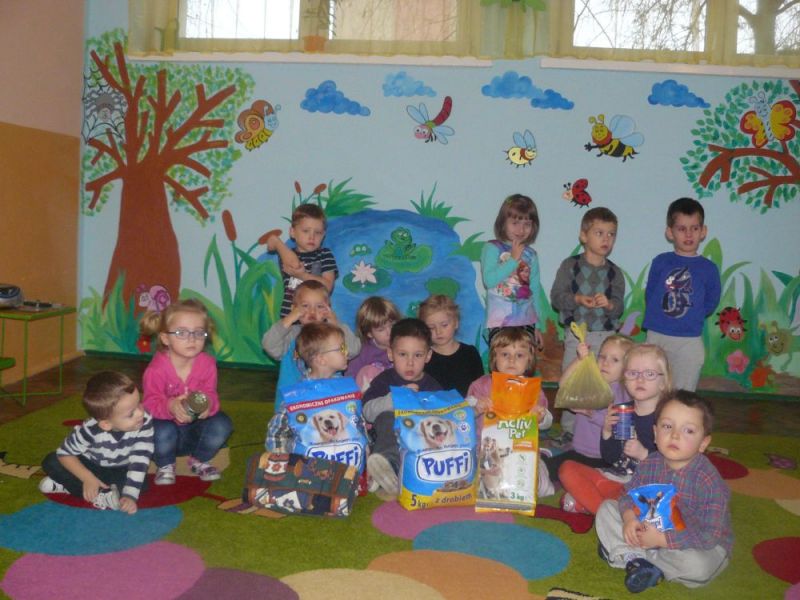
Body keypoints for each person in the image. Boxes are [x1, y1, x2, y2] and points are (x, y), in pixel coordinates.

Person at [596, 390, 732, 593]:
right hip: (650, 529)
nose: (675, 435)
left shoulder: (708, 481)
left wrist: (662, 540)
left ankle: (630, 555)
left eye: (688, 431)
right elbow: (627, 496)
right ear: (655, 433)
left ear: (703, 443)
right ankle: (637, 559)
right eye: (667, 426)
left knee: (699, 567)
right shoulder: (650, 463)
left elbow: (709, 536)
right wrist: (629, 518)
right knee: (607, 508)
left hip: (692, 543)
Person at [559, 344, 672, 514]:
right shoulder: (623, 411)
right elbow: (611, 458)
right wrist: (606, 433)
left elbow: (675, 465)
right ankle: (609, 511)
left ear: (663, 382)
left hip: (647, 486)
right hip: (616, 480)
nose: (640, 380)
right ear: (625, 379)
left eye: (649, 374)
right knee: (567, 469)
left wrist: (644, 454)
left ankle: (602, 507)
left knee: (661, 498)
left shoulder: (669, 416)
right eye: (633, 373)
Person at [550, 207, 625, 439]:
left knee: (603, 382)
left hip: (605, 337)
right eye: (599, 233)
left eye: (611, 234)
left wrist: (609, 304)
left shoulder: (614, 272)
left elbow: (620, 306)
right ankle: (569, 430)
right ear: (584, 236)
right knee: (573, 382)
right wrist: (577, 299)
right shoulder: (570, 266)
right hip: (577, 336)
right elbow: (556, 297)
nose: (606, 239)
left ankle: (600, 428)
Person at [141, 299, 233, 485]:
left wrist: (208, 405)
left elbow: (210, 393)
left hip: (194, 431)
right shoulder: (156, 370)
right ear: (165, 338)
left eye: (198, 332)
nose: (192, 339)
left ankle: (199, 460)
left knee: (222, 424)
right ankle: (165, 465)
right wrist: (170, 406)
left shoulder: (207, 364)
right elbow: (149, 404)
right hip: (165, 435)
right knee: (159, 429)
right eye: (181, 333)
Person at [39, 371, 154, 514]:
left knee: (141, 484)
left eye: (139, 404)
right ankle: (99, 494)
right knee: (51, 461)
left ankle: (69, 485)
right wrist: (88, 478)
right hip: (91, 465)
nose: (140, 413)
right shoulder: (89, 430)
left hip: (122, 468)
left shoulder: (144, 421)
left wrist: (130, 496)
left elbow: (140, 459)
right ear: (106, 424)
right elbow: (64, 453)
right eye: (131, 413)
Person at [464, 327, 554, 496]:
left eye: (519, 355)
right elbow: (463, 416)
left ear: (529, 360)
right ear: (494, 357)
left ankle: (540, 472)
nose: (512, 360)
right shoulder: (481, 385)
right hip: (485, 452)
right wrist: (476, 408)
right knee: (475, 482)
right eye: (505, 354)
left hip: (521, 451)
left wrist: (541, 417)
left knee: (536, 486)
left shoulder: (532, 389)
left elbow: (547, 422)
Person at [643, 197, 721, 391]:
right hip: (657, 334)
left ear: (703, 231)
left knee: (683, 391)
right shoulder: (661, 262)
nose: (688, 234)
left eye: (694, 228)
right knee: (652, 386)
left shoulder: (708, 268)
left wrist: (693, 315)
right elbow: (651, 293)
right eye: (681, 229)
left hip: (689, 339)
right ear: (670, 233)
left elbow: (711, 300)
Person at [362, 318, 442, 498]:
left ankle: (391, 475)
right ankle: (387, 467)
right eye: (403, 354)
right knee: (387, 417)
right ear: (390, 354)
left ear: (428, 356)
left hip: (419, 446)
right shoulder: (385, 380)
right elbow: (367, 412)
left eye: (418, 355)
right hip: (386, 442)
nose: (410, 362)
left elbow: (444, 416)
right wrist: (395, 399)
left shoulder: (432, 385)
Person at [542, 334, 634, 488]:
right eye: (602, 356)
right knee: (545, 467)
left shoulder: (623, 393)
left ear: (628, 367)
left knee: (557, 470)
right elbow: (564, 385)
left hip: (602, 458)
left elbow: (618, 428)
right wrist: (579, 360)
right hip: (579, 450)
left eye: (615, 360)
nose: (605, 362)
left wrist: (591, 413)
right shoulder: (592, 381)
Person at [262, 280, 360, 402]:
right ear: (294, 309)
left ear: (328, 309)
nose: (312, 311)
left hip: (329, 400)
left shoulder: (333, 335)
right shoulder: (290, 335)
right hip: (293, 402)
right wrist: (289, 318)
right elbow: (269, 346)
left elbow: (353, 350)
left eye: (319, 306)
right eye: (305, 306)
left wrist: (336, 324)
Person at [265, 321, 351, 453]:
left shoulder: (346, 388)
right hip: (306, 461)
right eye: (342, 348)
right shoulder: (298, 395)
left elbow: (356, 422)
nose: (347, 352)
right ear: (321, 359)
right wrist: (283, 456)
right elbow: (275, 434)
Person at [480, 194, 544, 349]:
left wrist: (538, 326)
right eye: (515, 223)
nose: (521, 229)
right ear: (503, 223)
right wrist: (513, 259)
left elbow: (535, 290)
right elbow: (489, 280)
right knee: (502, 359)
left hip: (526, 321)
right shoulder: (492, 248)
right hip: (499, 321)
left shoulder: (531, 255)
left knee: (524, 360)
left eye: (527, 224)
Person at [264, 203, 338, 318]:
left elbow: (327, 287)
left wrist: (302, 275)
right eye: (305, 231)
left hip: (316, 319)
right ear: (292, 232)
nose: (312, 237)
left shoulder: (325, 255)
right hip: (290, 318)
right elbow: (294, 264)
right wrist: (278, 243)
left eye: (318, 232)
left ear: (323, 235)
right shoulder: (288, 255)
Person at [418, 294, 484, 397]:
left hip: (469, 406)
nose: (438, 331)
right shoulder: (423, 357)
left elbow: (481, 388)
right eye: (431, 327)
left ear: (456, 323)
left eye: (444, 325)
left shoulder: (470, 353)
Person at [345, 296, 401, 392]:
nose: (390, 332)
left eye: (392, 325)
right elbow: (349, 379)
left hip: (398, 392)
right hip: (372, 395)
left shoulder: (404, 345)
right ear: (369, 333)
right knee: (368, 371)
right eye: (381, 329)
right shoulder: (363, 352)